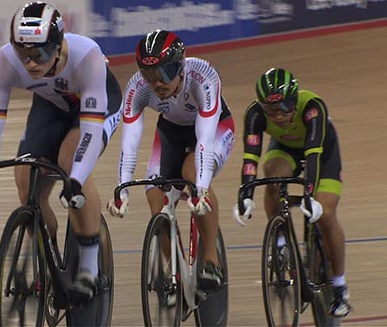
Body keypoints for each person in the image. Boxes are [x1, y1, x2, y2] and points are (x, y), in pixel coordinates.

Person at [0, 1, 122, 303]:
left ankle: (89, 268)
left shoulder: (86, 56)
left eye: (40, 53)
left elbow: (89, 133)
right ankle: (49, 258)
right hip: (51, 105)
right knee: (26, 180)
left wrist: (74, 179)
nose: (31, 63)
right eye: (23, 53)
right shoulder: (4, 61)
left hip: (96, 105)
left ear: (59, 44)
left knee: (68, 159)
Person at [107, 29, 235, 290]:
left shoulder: (203, 77)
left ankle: (210, 258)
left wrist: (199, 189)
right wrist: (122, 188)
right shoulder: (138, 88)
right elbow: (130, 140)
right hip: (172, 130)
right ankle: (173, 268)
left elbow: (204, 139)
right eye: (148, 75)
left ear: (180, 67)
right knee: (154, 192)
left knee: (191, 172)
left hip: (214, 129)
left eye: (163, 74)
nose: (157, 84)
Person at [233, 68, 352, 318]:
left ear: (294, 98)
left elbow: (313, 154)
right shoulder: (255, 115)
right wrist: (245, 195)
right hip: (286, 149)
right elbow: (250, 158)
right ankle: (280, 243)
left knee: (326, 214)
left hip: (321, 151)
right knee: (273, 178)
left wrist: (310, 194)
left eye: (283, 108)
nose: (277, 116)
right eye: (271, 109)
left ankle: (340, 286)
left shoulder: (312, 108)